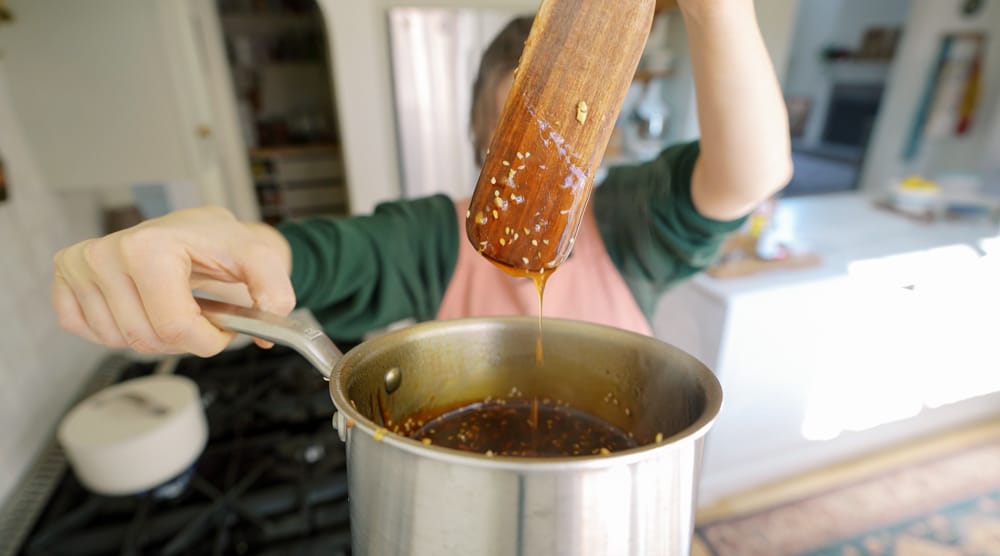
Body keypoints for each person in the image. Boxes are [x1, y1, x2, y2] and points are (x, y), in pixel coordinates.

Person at [51, 0, 792, 357]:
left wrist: (715, 9)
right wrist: (224, 242)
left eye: (564, 150)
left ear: (597, 155)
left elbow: (751, 173)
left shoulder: (633, 221)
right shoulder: (430, 240)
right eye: (513, 145)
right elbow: (307, 257)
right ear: (476, 136)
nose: (541, 173)